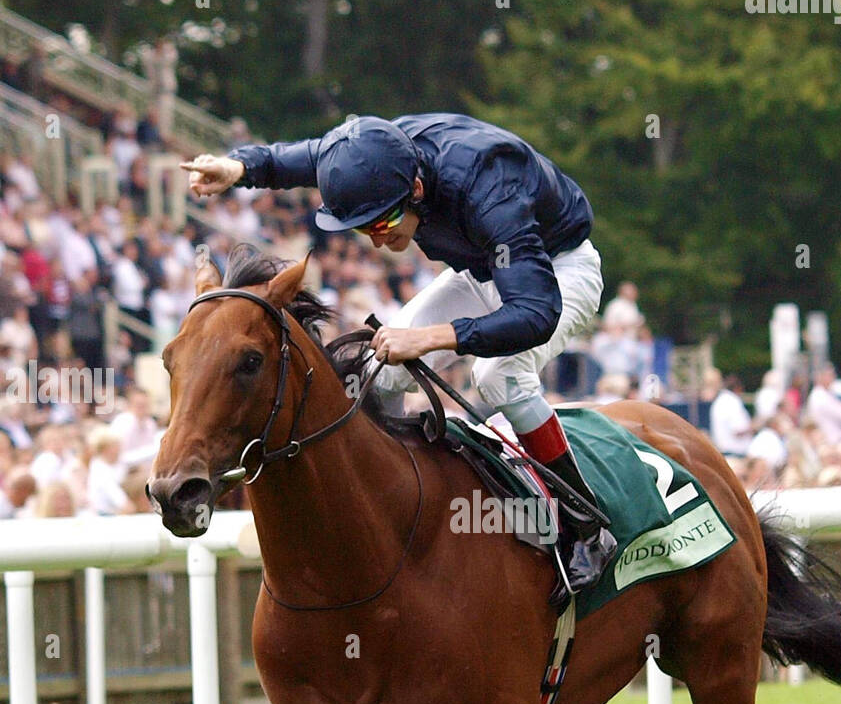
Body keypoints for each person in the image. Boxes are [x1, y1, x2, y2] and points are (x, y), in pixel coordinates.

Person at [182, 113, 617, 590]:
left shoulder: (491, 184)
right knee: (377, 371)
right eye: (362, 227)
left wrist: (433, 338)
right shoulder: (366, 153)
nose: (379, 239)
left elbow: (536, 311)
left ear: (414, 187)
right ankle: (381, 514)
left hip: (557, 272)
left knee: (496, 376)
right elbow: (300, 158)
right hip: (480, 269)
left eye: (385, 220)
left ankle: (585, 524)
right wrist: (237, 168)